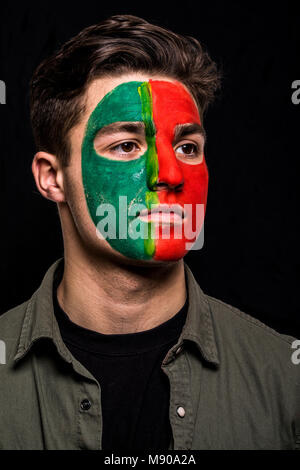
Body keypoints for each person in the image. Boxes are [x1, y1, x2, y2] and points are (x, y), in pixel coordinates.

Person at [0, 14, 299, 451]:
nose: (171, 174)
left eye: (187, 147)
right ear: (52, 178)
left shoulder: (284, 377)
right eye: (126, 145)